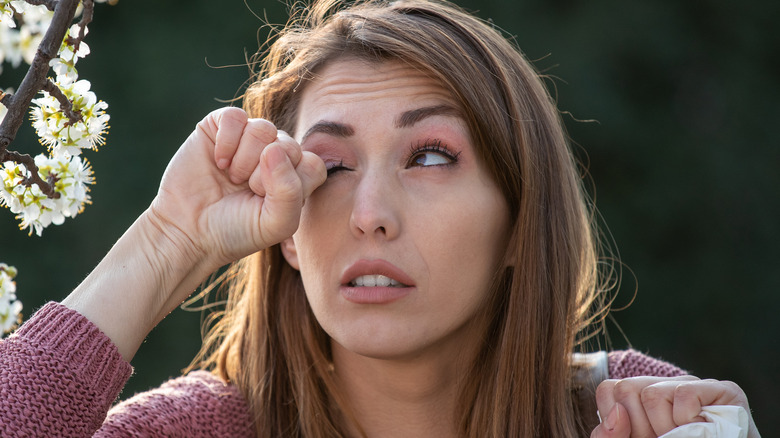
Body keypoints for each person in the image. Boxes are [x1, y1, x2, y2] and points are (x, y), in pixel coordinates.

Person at [0, 0, 760, 437]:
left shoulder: (627, 416)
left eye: (429, 157)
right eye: (329, 168)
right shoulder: (201, 432)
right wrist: (167, 239)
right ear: (285, 232)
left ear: (520, 217)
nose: (370, 216)